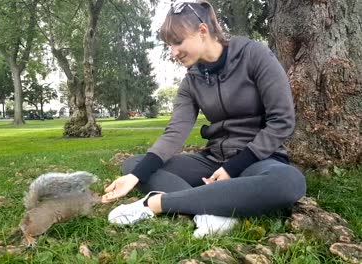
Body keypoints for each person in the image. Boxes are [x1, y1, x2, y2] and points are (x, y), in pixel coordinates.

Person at [101, 0, 306, 238]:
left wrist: (232, 168)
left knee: (289, 182)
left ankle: (155, 204)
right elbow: (175, 132)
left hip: (257, 159)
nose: (173, 52)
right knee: (135, 166)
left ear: (202, 31)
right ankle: (212, 210)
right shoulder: (191, 81)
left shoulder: (254, 55)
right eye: (169, 45)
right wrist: (135, 177)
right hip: (212, 161)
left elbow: (282, 121)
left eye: (178, 42)